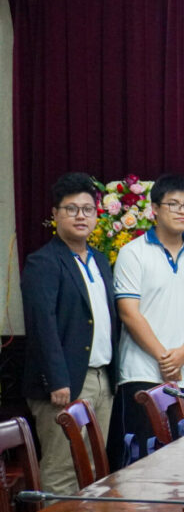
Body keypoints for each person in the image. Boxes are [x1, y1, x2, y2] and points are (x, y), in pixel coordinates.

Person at [109, 174, 184, 467]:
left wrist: (181, 355)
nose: (182, 211)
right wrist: (163, 357)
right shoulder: (132, 253)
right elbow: (128, 312)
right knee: (143, 462)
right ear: (154, 208)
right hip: (142, 373)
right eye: (173, 204)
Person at [23, 173, 121, 493]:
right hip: (65, 384)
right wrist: (57, 380)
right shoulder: (43, 262)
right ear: (55, 215)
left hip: (100, 378)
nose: (81, 216)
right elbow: (42, 325)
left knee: (93, 469)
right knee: (62, 469)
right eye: (71, 209)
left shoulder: (100, 261)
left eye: (88, 209)